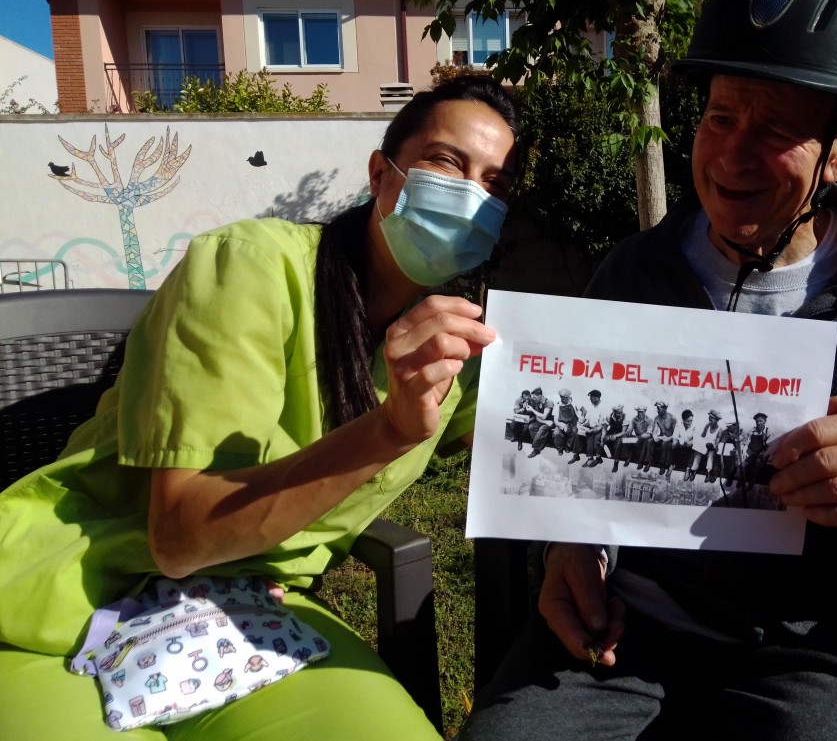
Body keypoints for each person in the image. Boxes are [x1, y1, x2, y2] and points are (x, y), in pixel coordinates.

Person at [458, 0, 837, 741]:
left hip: (813, 646)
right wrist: (571, 546)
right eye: (720, 117)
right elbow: (580, 466)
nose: (731, 155)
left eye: (775, 128)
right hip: (630, 625)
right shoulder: (634, 269)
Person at [0, 75, 523, 741]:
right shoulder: (251, 266)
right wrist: (388, 430)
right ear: (380, 173)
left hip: (258, 616)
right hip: (74, 598)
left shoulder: (458, 346)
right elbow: (179, 538)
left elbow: (544, 456)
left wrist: (582, 552)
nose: (472, 195)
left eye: (495, 184)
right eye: (447, 163)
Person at [643, 400, 677, 475]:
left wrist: (668, 438)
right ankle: (649, 462)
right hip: (662, 437)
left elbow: (676, 433)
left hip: (670, 439)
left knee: (664, 444)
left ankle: (662, 465)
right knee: (649, 441)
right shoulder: (657, 418)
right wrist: (655, 437)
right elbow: (654, 431)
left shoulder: (672, 418)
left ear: (665, 409)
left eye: (659, 409)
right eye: (657, 409)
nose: (657, 410)